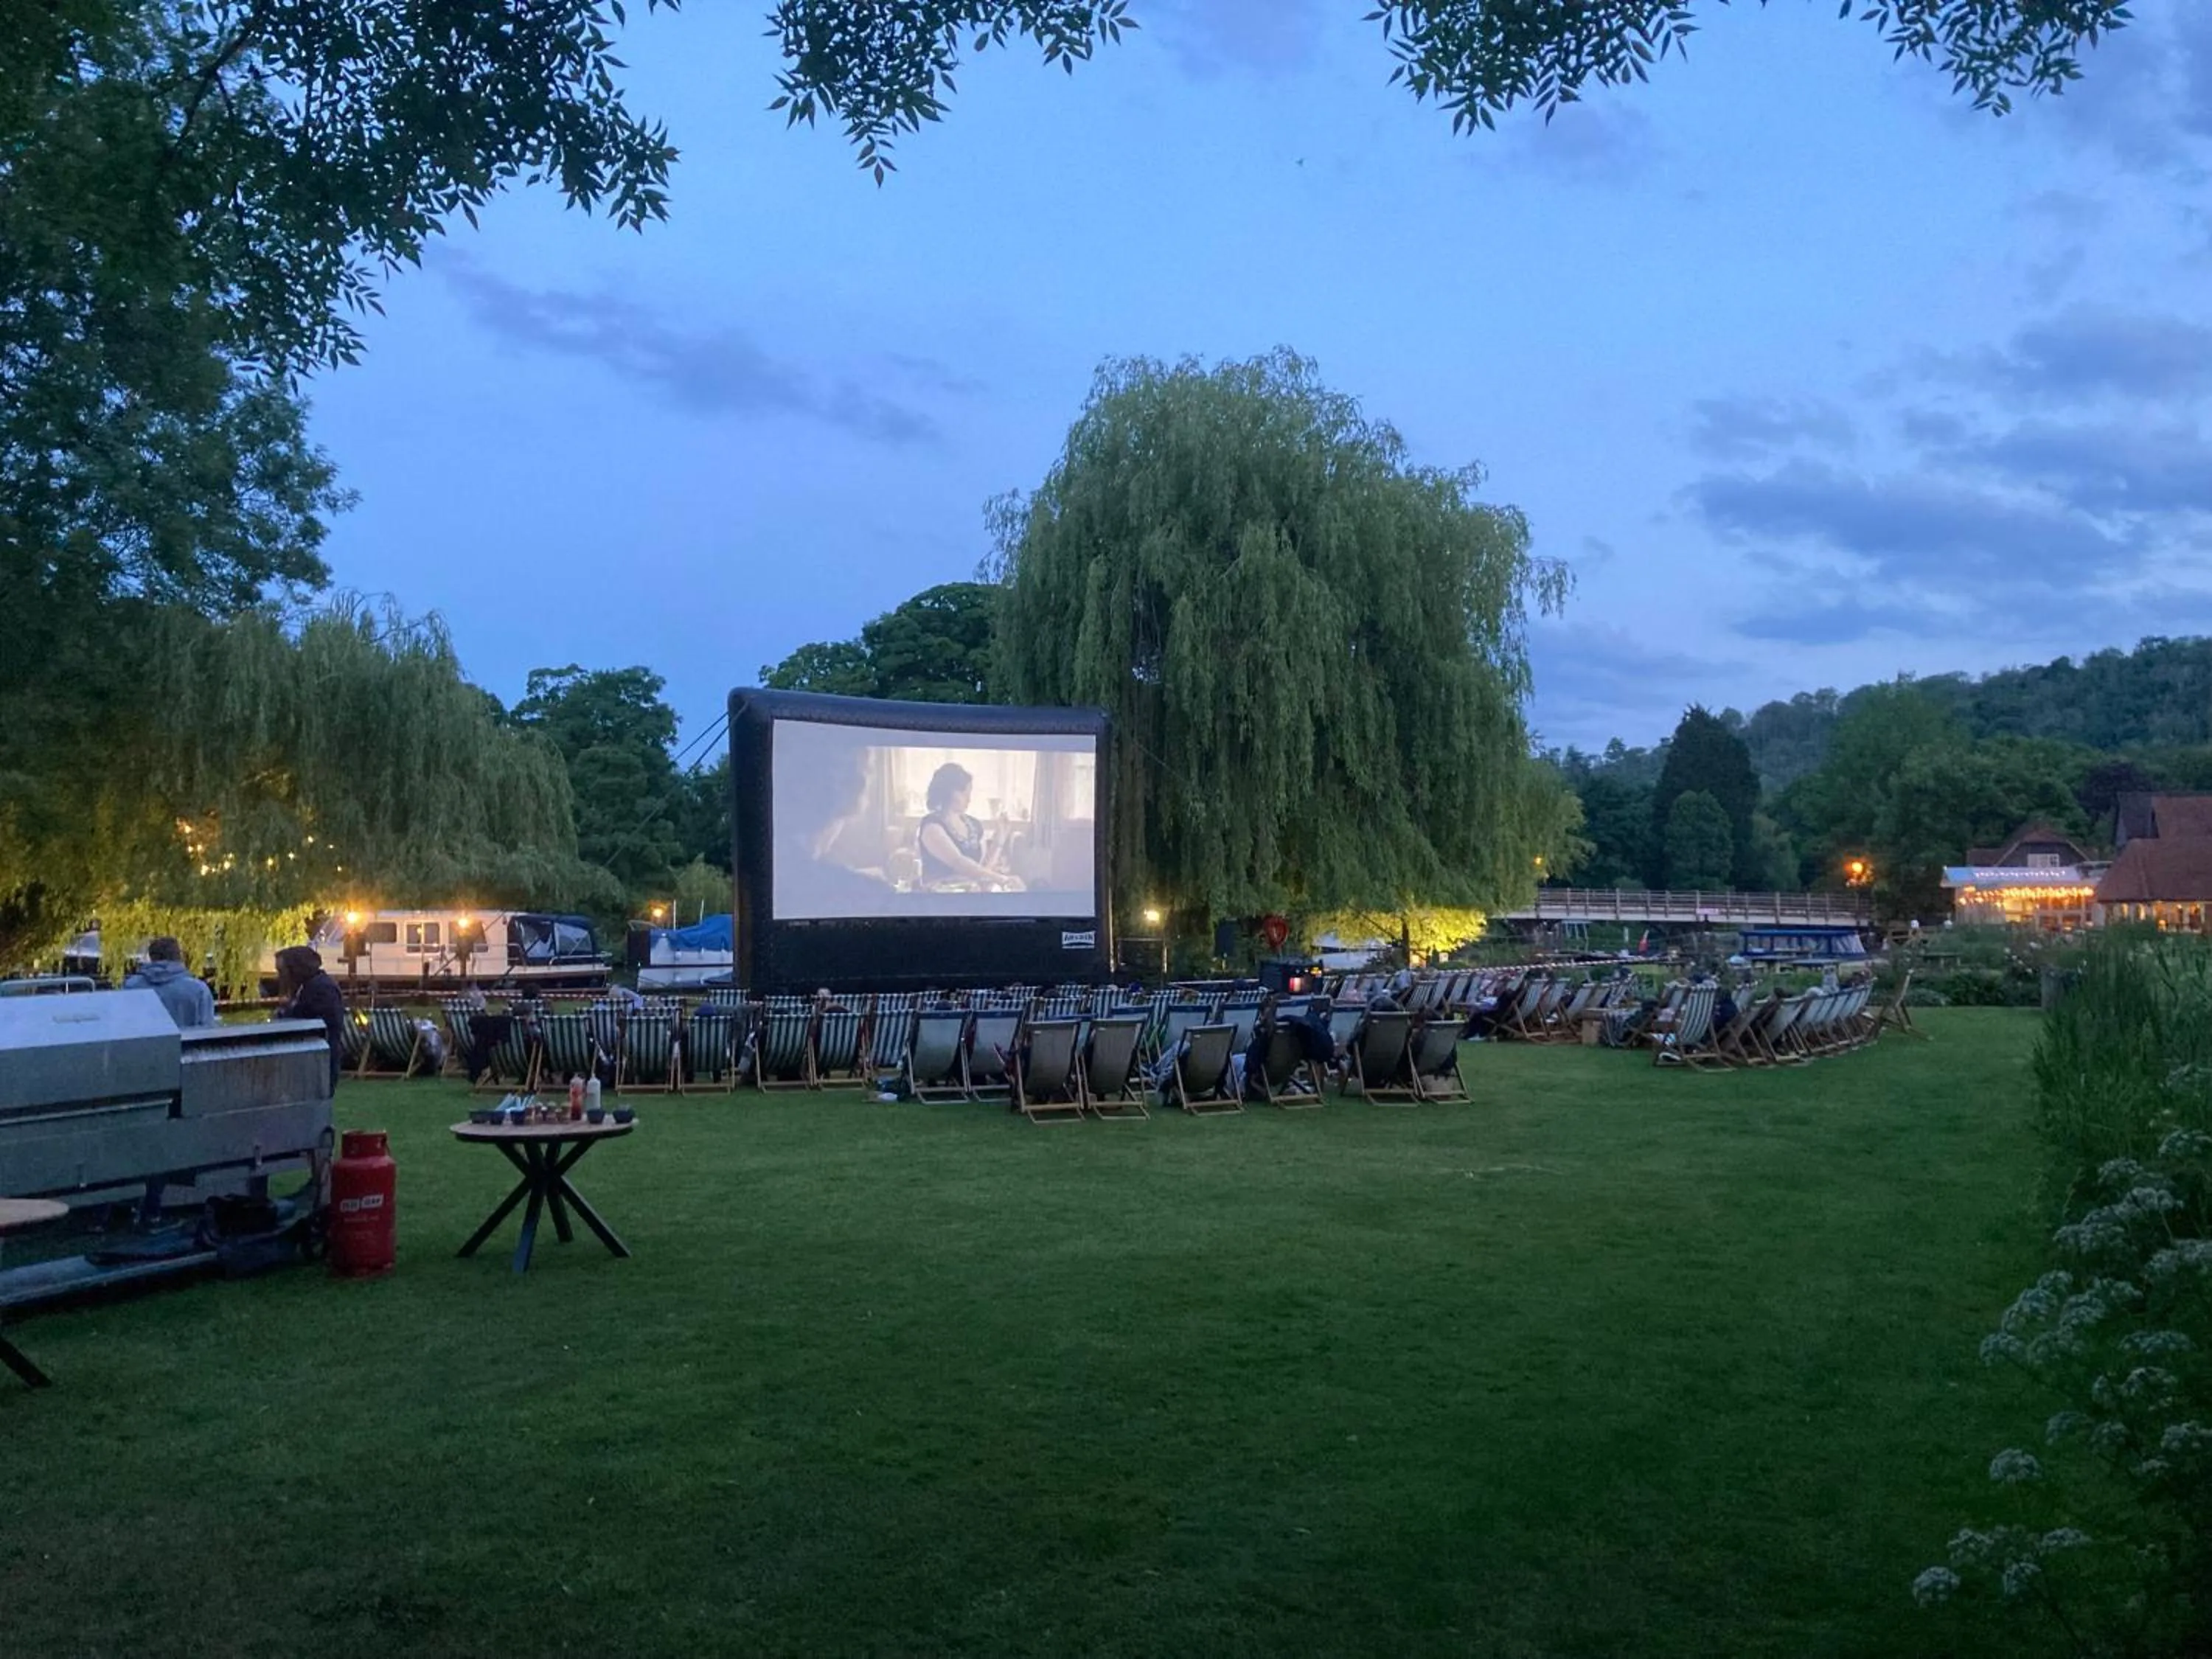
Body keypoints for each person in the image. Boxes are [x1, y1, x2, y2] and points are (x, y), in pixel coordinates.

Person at [917, 762, 1021, 891]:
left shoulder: (974, 825)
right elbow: (959, 863)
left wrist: (999, 839)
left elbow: (983, 870)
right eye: (964, 793)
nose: (969, 799)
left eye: (969, 793)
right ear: (948, 791)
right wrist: (1001, 879)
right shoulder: (932, 826)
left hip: (970, 893)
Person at [274, 945, 349, 1088]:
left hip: (320, 1060)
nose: (280, 977)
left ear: (295, 969)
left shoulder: (321, 990)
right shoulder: (311, 987)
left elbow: (309, 1023)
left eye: (282, 971)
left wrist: (286, 1011)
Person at [123, 936, 216, 1029]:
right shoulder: (199, 990)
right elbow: (207, 1029)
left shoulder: (131, 987)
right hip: (186, 1043)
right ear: (179, 957)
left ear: (151, 958)